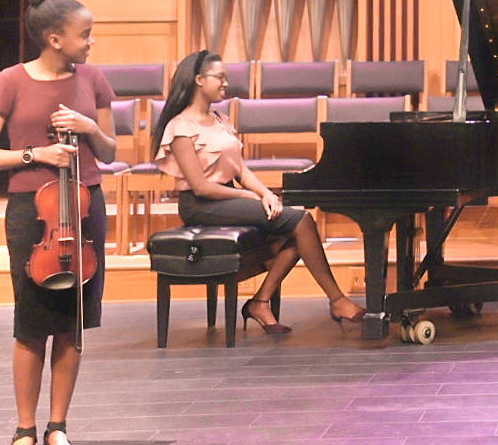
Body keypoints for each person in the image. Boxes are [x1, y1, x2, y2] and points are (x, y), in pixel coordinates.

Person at [0, 0, 117, 445]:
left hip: (85, 206)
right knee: (31, 324)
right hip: (33, 213)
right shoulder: (10, 80)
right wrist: (37, 153)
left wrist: (90, 128)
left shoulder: (93, 79)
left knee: (72, 320)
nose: (90, 42)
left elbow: (110, 152)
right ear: (54, 39)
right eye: (84, 34)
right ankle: (24, 429)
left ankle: (57, 427)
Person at [150, 50, 365, 332]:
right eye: (220, 78)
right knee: (301, 222)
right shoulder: (180, 127)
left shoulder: (219, 119)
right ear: (199, 80)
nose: (226, 84)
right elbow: (201, 187)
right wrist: (248, 196)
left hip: (226, 197)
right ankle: (337, 300)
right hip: (200, 205)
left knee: (294, 235)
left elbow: (241, 171)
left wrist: (265, 193)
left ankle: (260, 302)